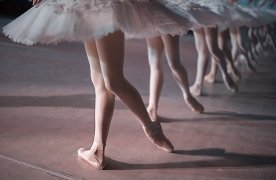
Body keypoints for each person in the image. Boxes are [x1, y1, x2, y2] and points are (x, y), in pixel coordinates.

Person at [3, 0, 197, 169]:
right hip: (85, 5)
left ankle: (152, 129)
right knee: (99, 81)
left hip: (105, 5)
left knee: (113, 80)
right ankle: (98, 149)